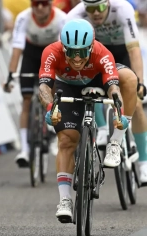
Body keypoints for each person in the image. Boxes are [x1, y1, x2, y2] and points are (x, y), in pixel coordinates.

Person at [38, 19, 137, 222]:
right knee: (66, 141)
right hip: (67, 85)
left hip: (96, 79)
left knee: (130, 79)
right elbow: (44, 88)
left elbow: (113, 87)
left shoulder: (102, 53)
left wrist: (118, 108)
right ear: (63, 47)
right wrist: (51, 108)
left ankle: (115, 143)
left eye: (82, 52)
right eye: (71, 52)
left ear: (91, 47)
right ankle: (65, 201)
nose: (76, 58)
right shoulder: (51, 51)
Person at [65, 0, 147, 184]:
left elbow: (134, 50)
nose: (95, 13)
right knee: (89, 91)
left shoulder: (123, 8)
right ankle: (102, 128)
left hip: (122, 51)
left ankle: (143, 162)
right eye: (90, 8)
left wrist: (139, 82)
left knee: (137, 104)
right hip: (96, 56)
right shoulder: (74, 16)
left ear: (108, 4)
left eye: (100, 7)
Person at [3, 0, 67, 168]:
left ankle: (52, 126)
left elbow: (64, 50)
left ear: (50, 5)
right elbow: (17, 48)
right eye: (35, 3)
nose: (39, 7)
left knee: (52, 93)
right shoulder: (23, 18)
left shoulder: (61, 18)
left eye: (44, 3)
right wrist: (10, 75)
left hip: (53, 53)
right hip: (31, 54)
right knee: (26, 100)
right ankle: (24, 149)